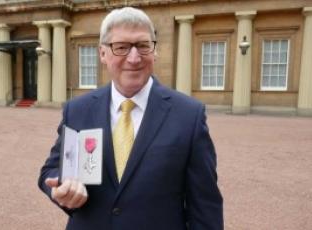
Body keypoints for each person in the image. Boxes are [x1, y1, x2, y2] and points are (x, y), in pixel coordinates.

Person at [38, 6, 223, 230]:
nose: (134, 58)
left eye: (143, 46)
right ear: (103, 53)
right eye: (121, 47)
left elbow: (205, 206)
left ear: (155, 51)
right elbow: (50, 170)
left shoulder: (188, 115)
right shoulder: (78, 110)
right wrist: (60, 188)